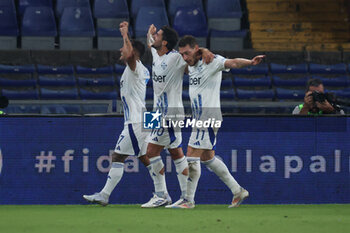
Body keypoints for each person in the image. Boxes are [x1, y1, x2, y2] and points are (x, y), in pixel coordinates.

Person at [168, 35, 265, 208]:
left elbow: (233, 62)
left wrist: (250, 62)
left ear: (195, 48)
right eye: (182, 54)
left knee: (191, 156)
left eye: (187, 53)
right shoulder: (191, 65)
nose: (185, 57)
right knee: (207, 158)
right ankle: (238, 191)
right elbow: (172, 58)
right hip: (200, 118)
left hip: (208, 117)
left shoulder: (212, 61)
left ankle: (188, 200)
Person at [83, 21, 171, 206]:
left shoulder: (136, 67)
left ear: (134, 51)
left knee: (123, 156)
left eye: (123, 47)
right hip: (145, 117)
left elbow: (130, 54)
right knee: (144, 156)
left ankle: (107, 195)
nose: (120, 50)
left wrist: (125, 34)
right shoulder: (139, 70)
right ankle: (161, 194)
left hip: (136, 121)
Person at [141, 25, 214, 208]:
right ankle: (185, 197)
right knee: (175, 152)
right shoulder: (157, 54)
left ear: (165, 42)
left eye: (158, 35)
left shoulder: (176, 58)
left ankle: (161, 195)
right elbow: (150, 44)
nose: (154, 37)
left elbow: (193, 58)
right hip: (156, 112)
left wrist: (203, 51)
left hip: (170, 113)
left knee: (149, 152)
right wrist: (149, 34)